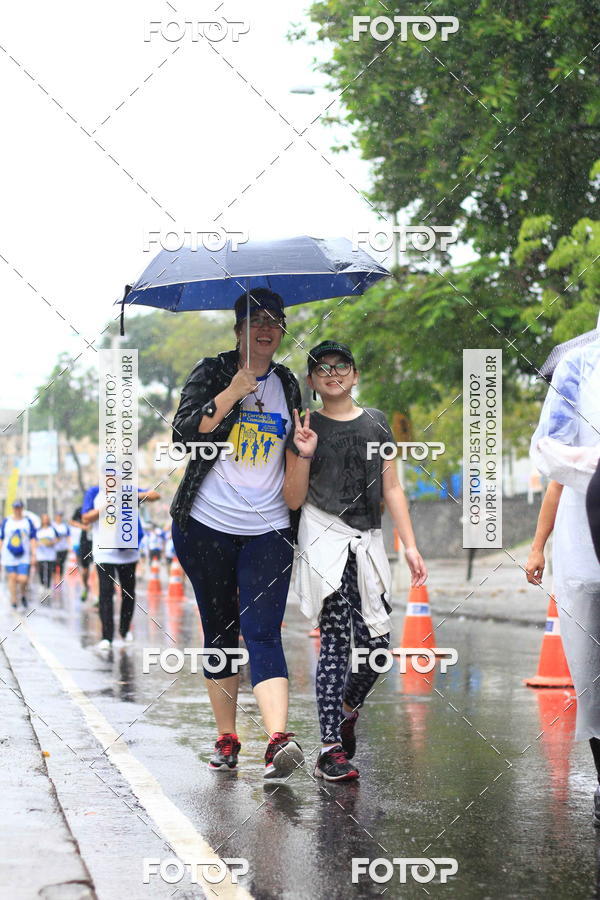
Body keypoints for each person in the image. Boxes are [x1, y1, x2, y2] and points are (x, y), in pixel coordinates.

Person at [170, 288, 304, 778]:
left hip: (269, 528)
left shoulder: (288, 382)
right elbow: (184, 434)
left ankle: (277, 741)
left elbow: (294, 449)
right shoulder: (212, 370)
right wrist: (231, 393)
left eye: (275, 320)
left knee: (264, 629)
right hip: (207, 526)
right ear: (238, 329)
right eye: (255, 320)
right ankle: (228, 738)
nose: (266, 328)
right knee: (221, 631)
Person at [283, 340, 427, 781]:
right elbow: (292, 497)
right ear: (311, 382)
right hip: (324, 538)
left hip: (367, 541)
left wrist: (410, 544)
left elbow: (392, 489)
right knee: (335, 641)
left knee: (378, 647)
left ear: (355, 373)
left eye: (341, 365)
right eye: (321, 368)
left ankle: (346, 709)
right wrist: (303, 453)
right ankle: (329, 747)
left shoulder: (377, 423)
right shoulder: (305, 427)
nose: (332, 373)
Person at [529, 337, 600, 824]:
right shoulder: (565, 445)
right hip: (583, 553)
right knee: (590, 670)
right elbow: (553, 488)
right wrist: (537, 547)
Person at [82, 486, 160, 649]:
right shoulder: (94, 492)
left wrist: (131, 496)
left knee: (128, 593)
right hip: (104, 552)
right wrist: (108, 505)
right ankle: (107, 637)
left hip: (128, 552)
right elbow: (85, 518)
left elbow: (155, 495)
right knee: (106, 593)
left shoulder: (128, 489)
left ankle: (125, 630)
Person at [0, 500, 37, 609]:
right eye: (15, 508)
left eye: (19, 507)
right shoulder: (6, 521)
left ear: (22, 508)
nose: (17, 510)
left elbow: (33, 538)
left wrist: (34, 553)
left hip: (23, 556)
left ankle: (23, 594)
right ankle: (14, 599)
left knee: (23, 579)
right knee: (12, 577)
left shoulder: (27, 522)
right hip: (8, 555)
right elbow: (1, 538)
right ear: (13, 509)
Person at [70, 503, 93, 601]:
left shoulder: (103, 506)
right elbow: (71, 521)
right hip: (85, 542)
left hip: (99, 542)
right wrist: (83, 527)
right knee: (85, 570)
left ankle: (97, 597)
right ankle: (86, 586)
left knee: (98, 568)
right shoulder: (82, 508)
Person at [36, 513, 58, 589]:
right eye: (44, 519)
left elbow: (57, 539)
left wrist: (51, 543)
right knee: (41, 570)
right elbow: (34, 541)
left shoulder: (52, 529)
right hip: (41, 554)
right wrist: (39, 543)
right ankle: (42, 584)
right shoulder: (38, 530)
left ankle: (48, 586)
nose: (45, 521)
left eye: (46, 519)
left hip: (50, 554)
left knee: (49, 570)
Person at [52, 512, 70, 580]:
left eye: (60, 516)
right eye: (58, 516)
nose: (59, 517)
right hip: (54, 549)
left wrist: (69, 546)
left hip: (63, 549)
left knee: (61, 565)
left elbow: (68, 536)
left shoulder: (64, 526)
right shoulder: (52, 525)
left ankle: (59, 581)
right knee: (54, 566)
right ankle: (54, 581)